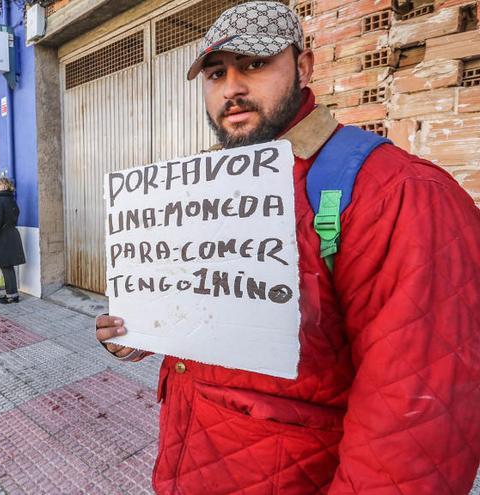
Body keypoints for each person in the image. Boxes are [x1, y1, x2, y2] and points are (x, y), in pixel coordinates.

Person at [95, 3, 480, 493]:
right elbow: (206, 317)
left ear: (303, 68)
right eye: (216, 73)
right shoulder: (199, 191)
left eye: (254, 64)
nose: (232, 88)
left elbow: (414, 429)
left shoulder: (397, 193)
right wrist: (141, 332)